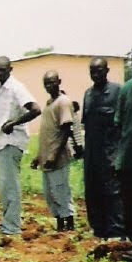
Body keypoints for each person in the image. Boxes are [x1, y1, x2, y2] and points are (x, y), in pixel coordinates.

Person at [0, 55, 40, 242]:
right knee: (4, 186)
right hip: (1, 143)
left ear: (10, 69)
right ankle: (7, 223)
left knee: (10, 186)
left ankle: (12, 228)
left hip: (12, 142)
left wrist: (14, 123)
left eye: (2, 70)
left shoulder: (16, 87)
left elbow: (35, 109)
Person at [31, 70, 81, 231]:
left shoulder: (63, 102)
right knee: (50, 194)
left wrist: (53, 155)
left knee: (61, 191)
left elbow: (66, 130)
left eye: (52, 82)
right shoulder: (48, 104)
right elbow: (47, 133)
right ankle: (60, 224)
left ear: (59, 81)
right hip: (47, 158)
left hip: (58, 157)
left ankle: (70, 224)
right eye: (46, 83)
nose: (49, 86)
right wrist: (39, 156)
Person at [82, 57, 125, 240]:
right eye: (92, 71)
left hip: (111, 150)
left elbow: (122, 124)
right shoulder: (88, 94)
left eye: (99, 70)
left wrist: (118, 155)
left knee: (113, 192)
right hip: (92, 152)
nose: (96, 74)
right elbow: (86, 124)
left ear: (107, 71)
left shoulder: (117, 92)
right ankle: (99, 231)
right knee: (93, 191)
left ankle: (116, 233)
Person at [114, 43, 132, 260]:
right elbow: (119, 125)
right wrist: (118, 159)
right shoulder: (127, 89)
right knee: (130, 206)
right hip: (129, 159)